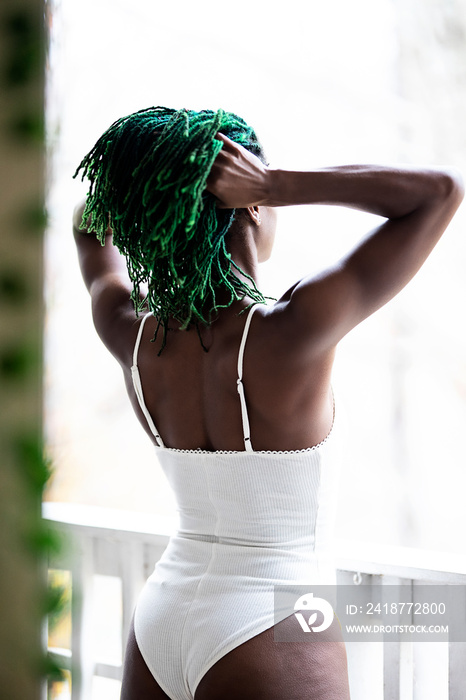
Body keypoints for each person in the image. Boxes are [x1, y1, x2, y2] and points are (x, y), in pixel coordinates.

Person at [73, 107, 463, 700]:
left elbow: (86, 220)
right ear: (251, 203)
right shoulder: (293, 329)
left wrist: (150, 187)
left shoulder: (130, 330)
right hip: (273, 618)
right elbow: (441, 191)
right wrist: (277, 182)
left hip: (164, 613)